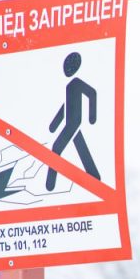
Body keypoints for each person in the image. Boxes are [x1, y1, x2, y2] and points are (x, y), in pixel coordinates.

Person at [46, 51, 100, 191]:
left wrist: (92, 117)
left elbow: (92, 94)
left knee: (56, 148)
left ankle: (49, 185)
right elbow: (66, 107)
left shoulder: (76, 83)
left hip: (74, 123)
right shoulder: (70, 86)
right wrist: (53, 125)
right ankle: (96, 179)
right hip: (72, 123)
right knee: (81, 148)